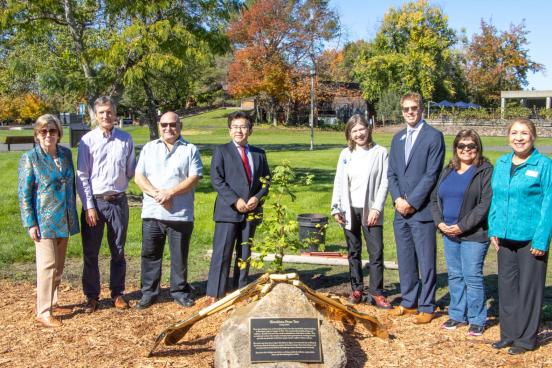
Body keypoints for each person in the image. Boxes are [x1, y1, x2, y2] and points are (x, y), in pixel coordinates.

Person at [488, 118, 551, 355]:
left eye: (524, 133)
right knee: (507, 288)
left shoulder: (544, 165)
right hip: (505, 237)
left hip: (530, 238)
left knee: (529, 290)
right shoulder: (502, 163)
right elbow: (496, 197)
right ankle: (509, 334)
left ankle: (526, 339)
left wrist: (541, 239)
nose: (519, 137)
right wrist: (494, 228)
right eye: (514, 133)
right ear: (508, 136)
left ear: (533, 136)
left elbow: (549, 203)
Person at [134, 112, 202, 309]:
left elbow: (193, 178)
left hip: (180, 214)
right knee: (150, 254)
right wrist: (158, 195)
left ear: (180, 125)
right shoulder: (149, 148)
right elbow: (139, 177)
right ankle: (149, 293)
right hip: (153, 212)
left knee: (179, 255)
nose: (168, 129)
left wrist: (170, 193)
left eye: (173, 125)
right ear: (158, 125)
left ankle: (179, 291)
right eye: (164, 125)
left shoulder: (190, 149)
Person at [387, 92, 445, 324]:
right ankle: (409, 301)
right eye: (406, 109)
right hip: (400, 211)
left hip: (421, 211)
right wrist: (397, 200)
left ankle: (427, 305)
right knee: (405, 258)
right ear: (402, 111)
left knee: (426, 260)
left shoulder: (434, 137)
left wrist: (412, 202)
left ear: (421, 109)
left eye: (414, 108)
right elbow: (391, 173)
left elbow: (432, 174)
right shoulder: (397, 138)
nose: (410, 112)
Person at [18, 114, 80, 327]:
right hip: (43, 221)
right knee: (47, 265)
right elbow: (24, 193)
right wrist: (30, 223)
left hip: (64, 218)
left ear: (58, 134)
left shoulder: (65, 154)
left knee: (59, 266)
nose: (48, 135)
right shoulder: (30, 158)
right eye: (43, 131)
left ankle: (53, 302)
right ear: (36, 134)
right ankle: (43, 312)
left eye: (52, 131)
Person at [430, 129, 493, 336]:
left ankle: (477, 318)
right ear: (456, 148)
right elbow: (434, 199)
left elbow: (484, 205)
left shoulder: (484, 170)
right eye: (461, 146)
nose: (466, 150)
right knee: (455, 275)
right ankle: (457, 314)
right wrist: (439, 223)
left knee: (471, 276)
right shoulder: (448, 170)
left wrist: (462, 226)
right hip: (449, 233)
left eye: (471, 146)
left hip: (473, 234)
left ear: (478, 148)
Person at [76, 96, 136, 313]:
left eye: (109, 112)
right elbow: (82, 175)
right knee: (91, 252)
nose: (106, 116)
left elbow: (131, 170)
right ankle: (91, 296)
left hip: (118, 202)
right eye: (101, 112)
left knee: (118, 250)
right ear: (96, 115)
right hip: (96, 204)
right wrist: (89, 206)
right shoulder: (87, 141)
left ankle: (117, 293)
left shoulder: (126, 139)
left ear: (115, 113)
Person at [205, 111, 270, 304]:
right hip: (228, 210)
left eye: (243, 127)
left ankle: (241, 290)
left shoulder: (259, 153)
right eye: (235, 127)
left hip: (251, 211)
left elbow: (266, 181)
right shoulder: (222, 151)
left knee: (245, 253)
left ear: (250, 130)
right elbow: (217, 180)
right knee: (222, 252)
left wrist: (257, 198)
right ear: (229, 130)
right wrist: (235, 200)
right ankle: (215, 292)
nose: (239, 131)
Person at [330, 114, 391, 309]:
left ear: (369, 129)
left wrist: (377, 208)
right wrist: (336, 207)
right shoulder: (345, 154)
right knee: (353, 251)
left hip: (371, 210)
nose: (359, 134)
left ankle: (376, 292)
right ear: (349, 134)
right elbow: (339, 181)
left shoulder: (380, 152)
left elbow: (385, 182)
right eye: (354, 131)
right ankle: (357, 288)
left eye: (361, 129)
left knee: (376, 252)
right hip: (349, 210)